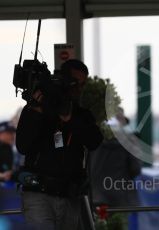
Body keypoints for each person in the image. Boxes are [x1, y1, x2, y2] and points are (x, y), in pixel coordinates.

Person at [16, 59, 103, 230]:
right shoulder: (37, 109)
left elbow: (94, 141)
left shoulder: (80, 114)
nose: (78, 89)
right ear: (63, 80)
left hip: (69, 196)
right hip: (38, 195)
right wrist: (38, 111)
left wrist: (69, 119)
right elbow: (22, 146)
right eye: (74, 83)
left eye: (82, 85)